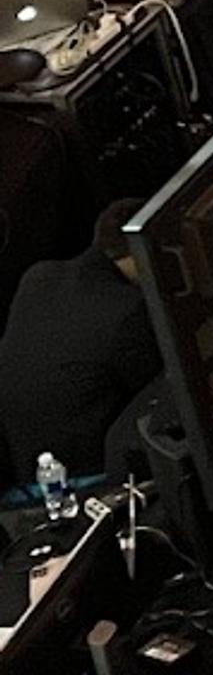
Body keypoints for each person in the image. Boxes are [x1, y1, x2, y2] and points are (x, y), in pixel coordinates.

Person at [0, 199, 159, 485]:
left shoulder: (37, 276)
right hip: (93, 479)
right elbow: (159, 395)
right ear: (142, 253)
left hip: (30, 475)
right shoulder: (127, 309)